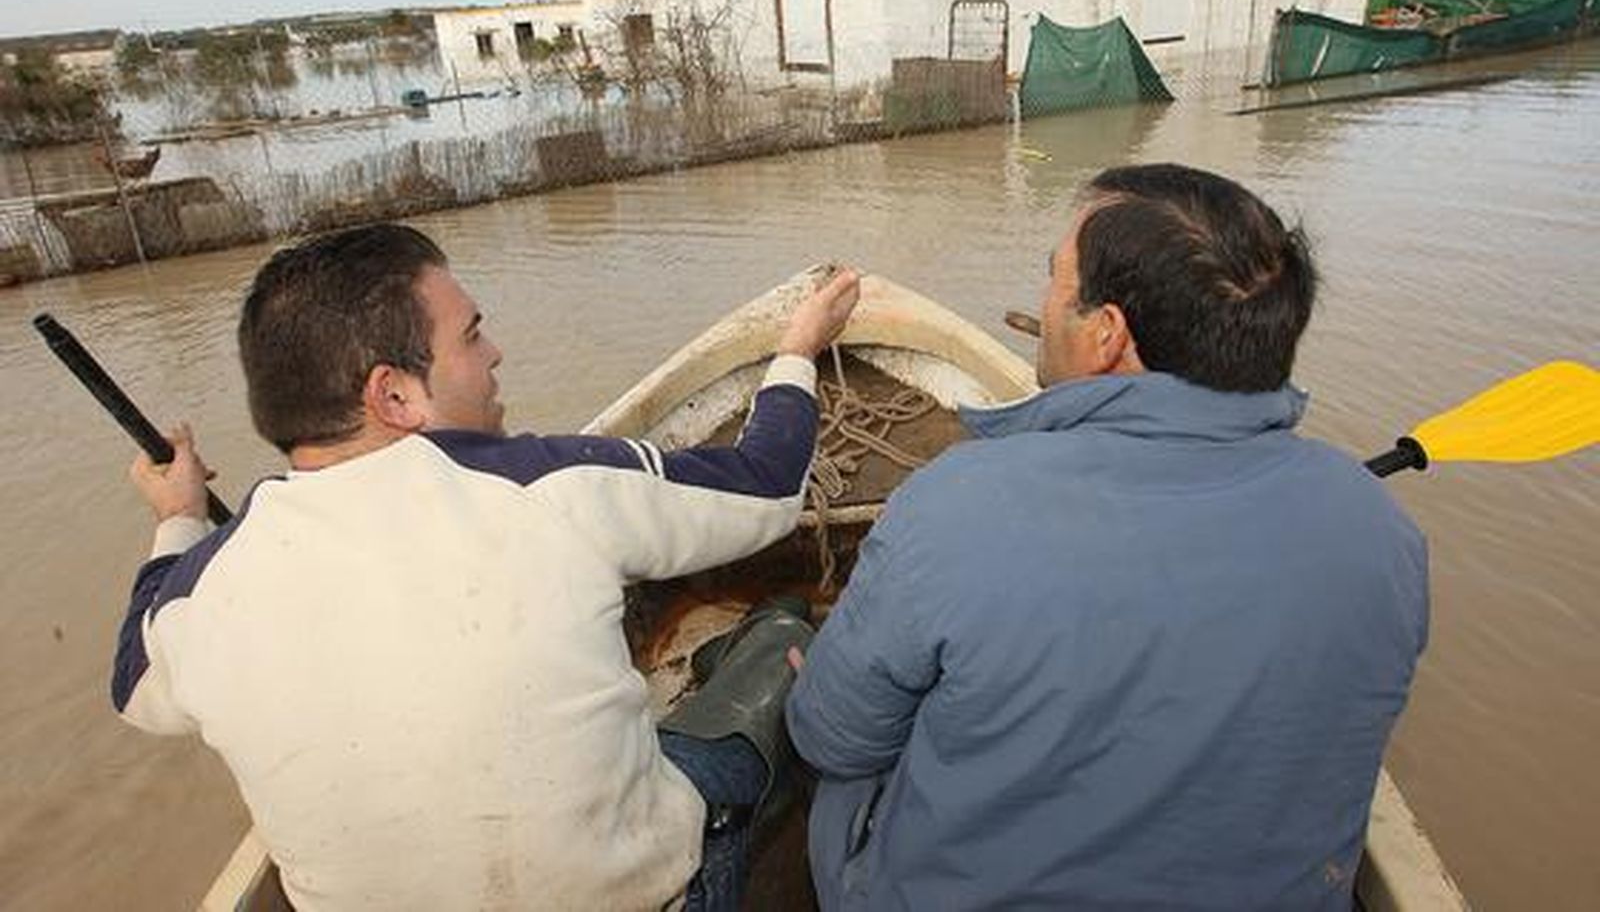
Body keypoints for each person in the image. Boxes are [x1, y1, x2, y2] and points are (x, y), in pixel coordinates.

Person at [112, 222, 859, 911]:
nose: (494, 351)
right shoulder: (549, 482)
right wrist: (795, 352)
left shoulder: (205, 585)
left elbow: (133, 684)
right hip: (657, 896)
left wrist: (178, 516)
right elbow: (768, 485)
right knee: (785, 654)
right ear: (393, 393)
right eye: (470, 335)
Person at [787, 164, 1429, 911]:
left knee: (817, 713)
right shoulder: (1380, 529)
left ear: (1105, 334)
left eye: (1054, 279)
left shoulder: (955, 506)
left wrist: (814, 690)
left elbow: (834, 740)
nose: (1045, 300)